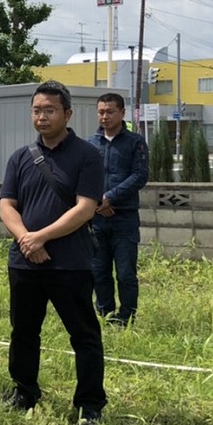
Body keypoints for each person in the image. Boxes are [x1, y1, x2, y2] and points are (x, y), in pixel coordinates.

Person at [0, 81, 107, 425]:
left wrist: (40, 237)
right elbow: (6, 205)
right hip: (25, 263)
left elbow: (86, 208)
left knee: (84, 335)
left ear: (67, 113)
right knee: (24, 331)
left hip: (69, 263)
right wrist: (26, 240)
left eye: (49, 110)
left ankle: (90, 404)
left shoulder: (87, 156)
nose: (42, 116)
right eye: (36, 110)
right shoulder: (20, 157)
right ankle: (24, 391)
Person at [88, 94, 149, 326]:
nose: (105, 116)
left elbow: (140, 175)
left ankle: (127, 316)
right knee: (98, 270)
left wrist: (110, 197)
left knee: (125, 272)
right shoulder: (91, 144)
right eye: (101, 111)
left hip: (124, 217)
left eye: (110, 111)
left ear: (122, 113)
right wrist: (97, 203)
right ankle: (105, 314)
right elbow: (83, 177)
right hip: (96, 218)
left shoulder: (135, 142)